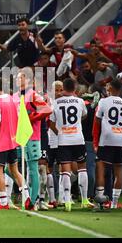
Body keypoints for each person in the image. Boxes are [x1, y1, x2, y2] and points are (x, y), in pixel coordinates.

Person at [0, 79, 33, 210]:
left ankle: (2, 202)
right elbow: (19, 119)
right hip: (13, 142)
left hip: (1, 144)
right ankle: (27, 197)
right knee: (15, 170)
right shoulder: (14, 100)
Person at [49, 78, 94, 212]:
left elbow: (51, 123)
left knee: (66, 171)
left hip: (63, 140)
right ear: (74, 88)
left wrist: (60, 132)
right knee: (82, 169)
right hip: (78, 139)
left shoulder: (56, 103)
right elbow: (84, 116)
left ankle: (67, 200)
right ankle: (85, 199)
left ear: (63, 89)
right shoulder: (80, 101)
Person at [93, 79, 122, 209]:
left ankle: (99, 201)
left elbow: (97, 122)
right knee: (118, 171)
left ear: (110, 88)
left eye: (107, 87)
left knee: (101, 169)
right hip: (119, 140)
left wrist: (95, 142)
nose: (106, 88)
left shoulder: (103, 102)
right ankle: (114, 203)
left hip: (106, 140)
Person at [13, 71, 52, 209]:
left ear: (28, 79)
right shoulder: (14, 96)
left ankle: (33, 201)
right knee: (9, 168)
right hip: (17, 137)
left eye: (20, 77)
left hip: (32, 137)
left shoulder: (33, 95)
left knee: (32, 168)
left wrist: (31, 118)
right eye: (17, 77)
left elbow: (47, 110)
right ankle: (27, 194)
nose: (17, 79)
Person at [45, 81, 63, 208]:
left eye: (61, 90)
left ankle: (62, 196)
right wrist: (60, 133)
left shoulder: (65, 102)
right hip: (51, 140)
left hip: (63, 141)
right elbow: (50, 123)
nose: (59, 92)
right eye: (56, 90)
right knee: (49, 168)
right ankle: (52, 198)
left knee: (65, 168)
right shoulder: (48, 102)